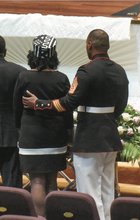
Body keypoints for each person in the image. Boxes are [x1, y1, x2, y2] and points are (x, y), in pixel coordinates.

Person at [23, 29, 129, 220]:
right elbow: (121, 105)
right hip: (110, 137)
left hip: (89, 138)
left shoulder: (86, 71)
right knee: (107, 191)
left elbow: (68, 103)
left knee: (89, 192)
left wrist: (39, 103)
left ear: (90, 44)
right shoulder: (119, 70)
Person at [13, 34, 73, 216]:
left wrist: (20, 130)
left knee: (37, 181)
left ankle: (40, 218)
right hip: (55, 136)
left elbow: (17, 108)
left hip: (31, 137)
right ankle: (54, 217)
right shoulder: (62, 78)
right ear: (54, 54)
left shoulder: (24, 77)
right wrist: (69, 135)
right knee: (52, 181)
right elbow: (67, 110)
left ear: (33, 54)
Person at [0, 36, 25, 188]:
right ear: (5, 51)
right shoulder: (20, 72)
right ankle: (13, 211)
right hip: (12, 133)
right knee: (12, 184)